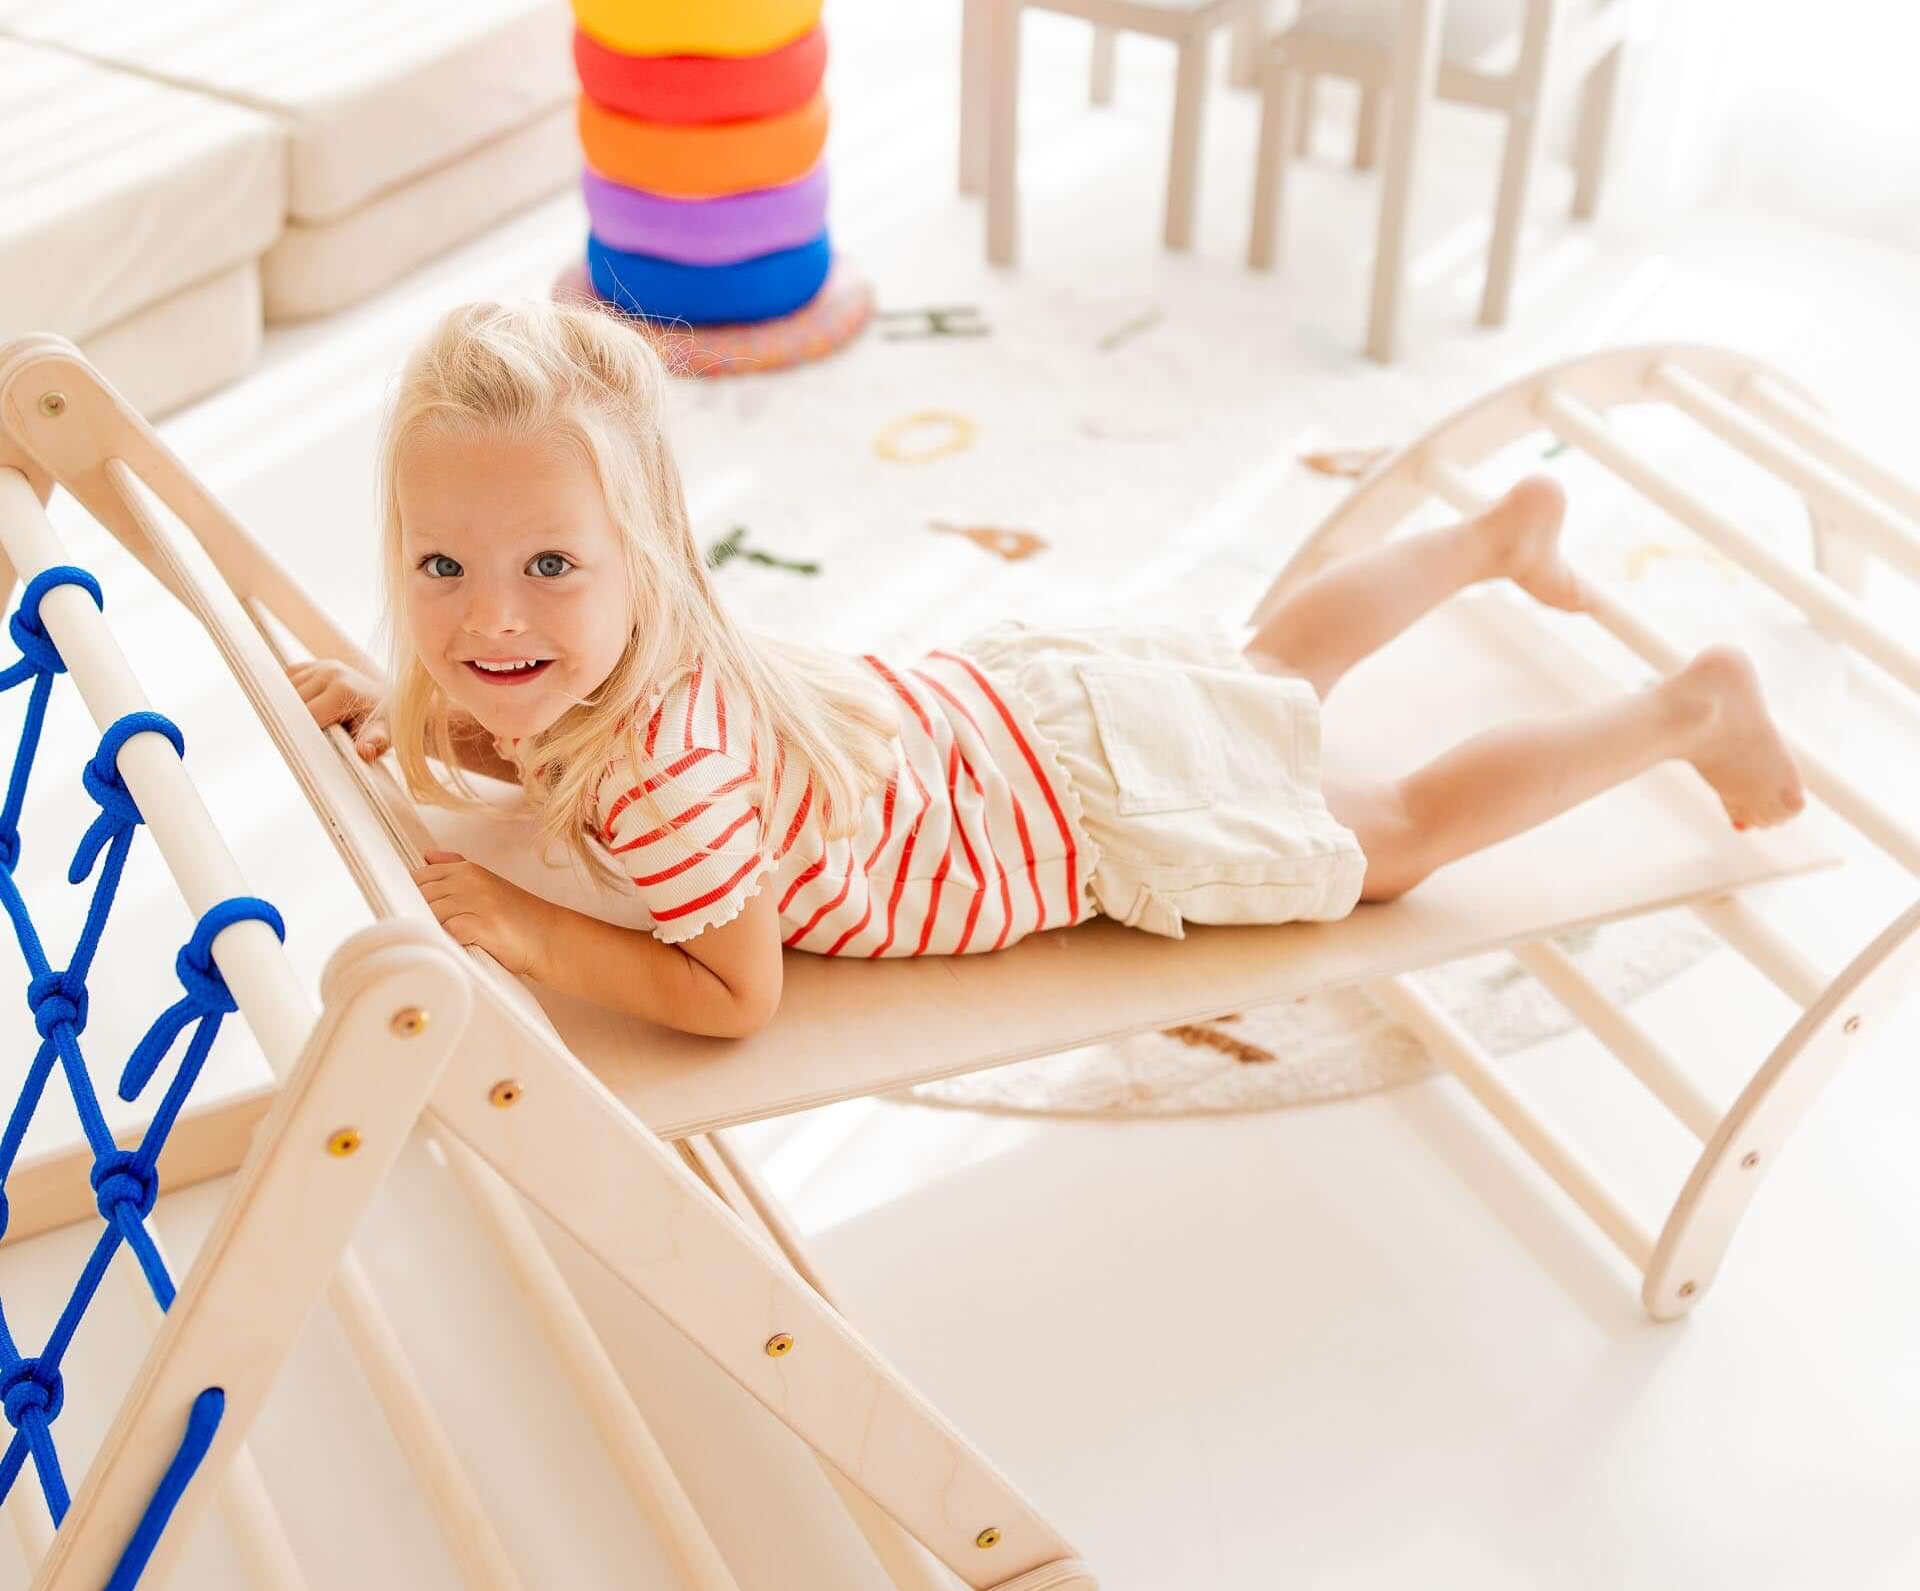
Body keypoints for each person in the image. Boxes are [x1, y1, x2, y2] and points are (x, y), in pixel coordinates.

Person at [289, 299, 1805, 1040]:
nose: (492, 624)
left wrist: (533, 936)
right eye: (443, 571)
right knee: (1267, 668)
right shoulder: (618, 661)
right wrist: (400, 710)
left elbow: (731, 992)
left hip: (1074, 819)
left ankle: (1688, 711)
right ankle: (1491, 538)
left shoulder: (668, 772)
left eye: (548, 568)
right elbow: (522, 721)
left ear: (644, 556)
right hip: (1026, 708)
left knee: (1390, 837)